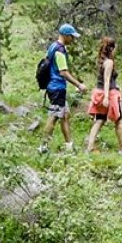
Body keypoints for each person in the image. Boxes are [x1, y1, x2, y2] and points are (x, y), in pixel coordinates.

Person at [39, 24, 86, 154]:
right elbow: (63, 72)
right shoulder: (60, 51)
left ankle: (69, 145)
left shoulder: (52, 47)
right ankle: (43, 146)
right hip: (57, 88)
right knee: (54, 116)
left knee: (64, 115)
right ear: (65, 35)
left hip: (53, 87)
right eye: (72, 36)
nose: (73, 39)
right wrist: (79, 85)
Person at [85, 37, 122, 153]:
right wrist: (106, 98)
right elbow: (106, 80)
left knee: (99, 120)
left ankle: (90, 147)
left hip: (100, 92)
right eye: (115, 48)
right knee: (118, 120)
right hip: (109, 94)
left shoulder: (102, 61)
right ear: (112, 49)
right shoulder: (109, 62)